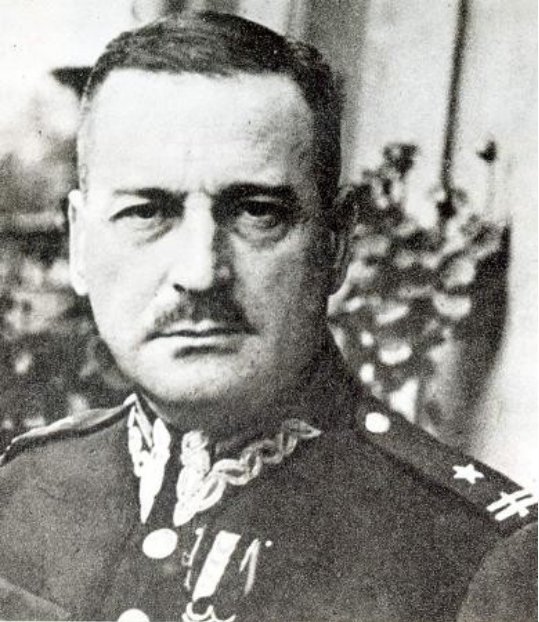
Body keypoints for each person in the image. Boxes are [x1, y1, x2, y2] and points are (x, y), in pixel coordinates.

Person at [0, 11, 536, 622]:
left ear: (335, 244)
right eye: (147, 212)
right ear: (79, 244)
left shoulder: (474, 557)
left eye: (257, 213)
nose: (200, 272)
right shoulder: (22, 492)